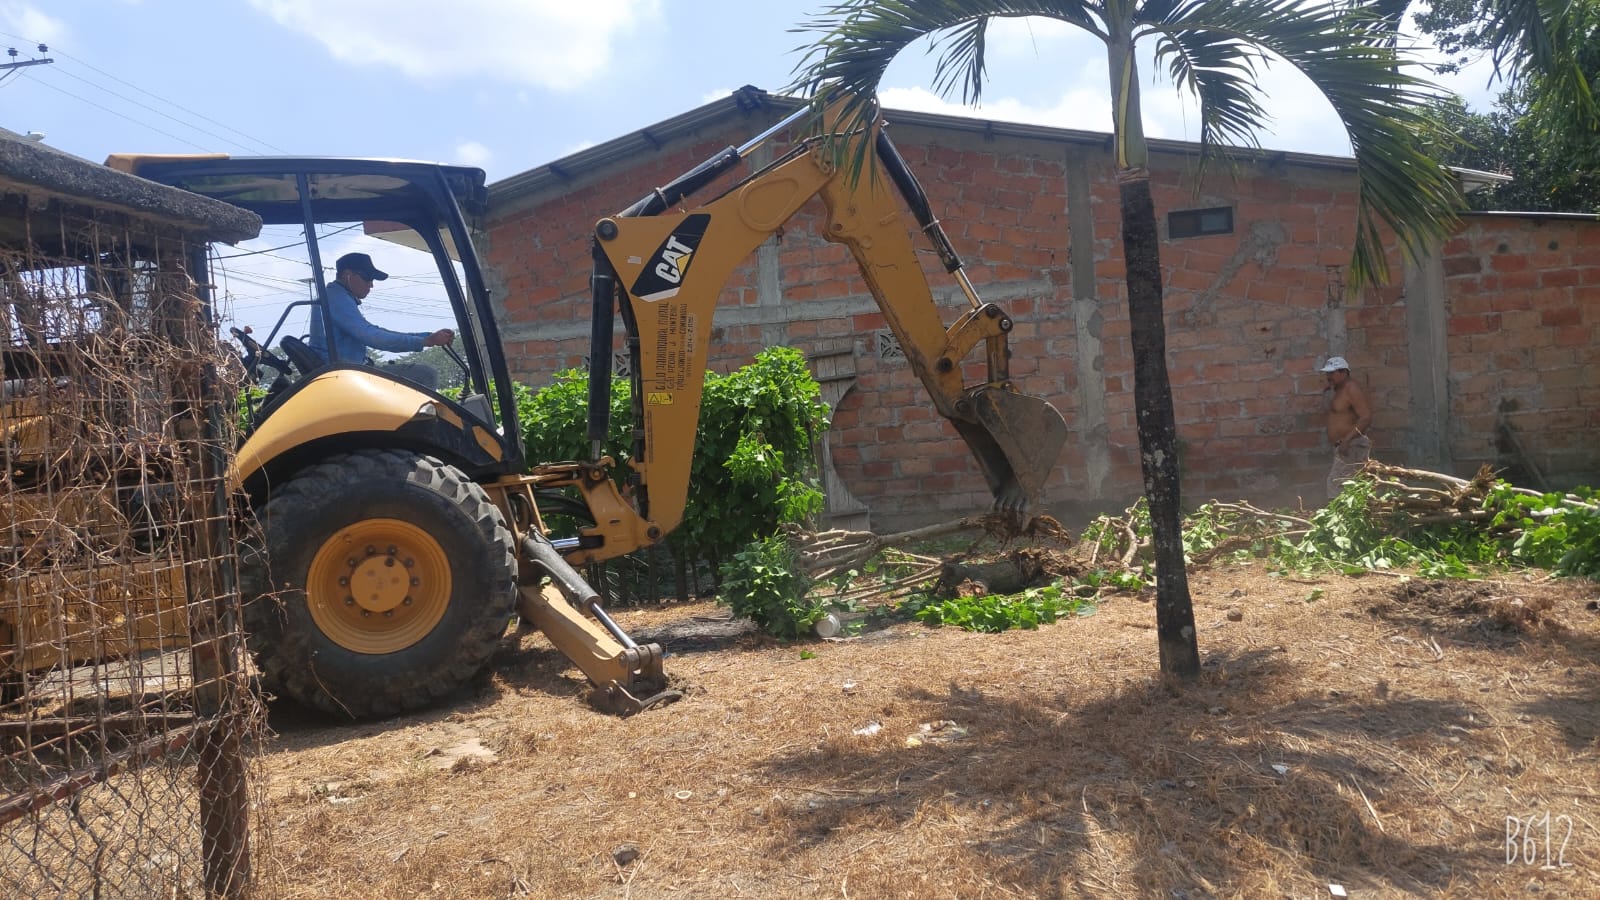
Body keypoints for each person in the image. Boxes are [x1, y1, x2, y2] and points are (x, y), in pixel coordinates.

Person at [307, 252, 453, 386]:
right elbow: (373, 337)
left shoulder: (335, 296)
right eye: (367, 278)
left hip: (347, 372)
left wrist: (426, 337)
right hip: (345, 377)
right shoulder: (336, 299)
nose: (371, 285)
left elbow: (373, 330)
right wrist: (426, 341)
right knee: (425, 374)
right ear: (348, 275)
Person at [1321, 355, 1373, 499]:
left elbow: (1366, 418)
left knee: (1335, 484)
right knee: (1351, 486)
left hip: (1351, 445)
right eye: (1327, 373)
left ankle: (1338, 513)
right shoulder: (1340, 389)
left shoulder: (1351, 389)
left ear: (1344, 372)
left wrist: (1347, 440)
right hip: (1345, 445)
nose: (1328, 377)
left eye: (1332, 373)